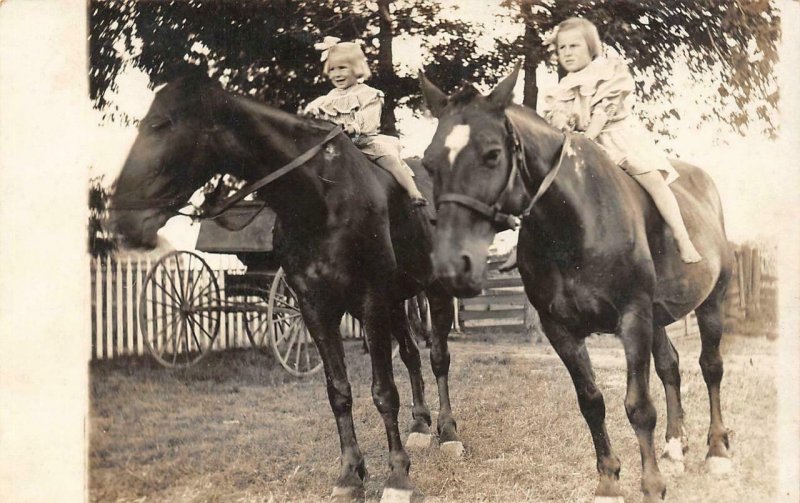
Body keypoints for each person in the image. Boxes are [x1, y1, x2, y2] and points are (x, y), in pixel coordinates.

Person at [541, 17, 702, 263]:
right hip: (578, 143)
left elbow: (604, 110)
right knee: (546, 185)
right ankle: (533, 243)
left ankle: (682, 237)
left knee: (653, 180)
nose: (567, 53)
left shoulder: (608, 72)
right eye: (562, 48)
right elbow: (557, 119)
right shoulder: (562, 87)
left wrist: (588, 138)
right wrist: (562, 127)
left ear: (591, 48)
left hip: (615, 137)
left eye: (575, 46)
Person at [304, 37, 428, 206]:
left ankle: (413, 192)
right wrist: (313, 115)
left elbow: (369, 118)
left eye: (342, 68)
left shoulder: (368, 94)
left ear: (356, 69)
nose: (337, 74)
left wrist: (352, 127)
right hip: (335, 146)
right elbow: (316, 119)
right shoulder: (326, 99)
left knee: (389, 159)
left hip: (363, 142)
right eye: (332, 69)